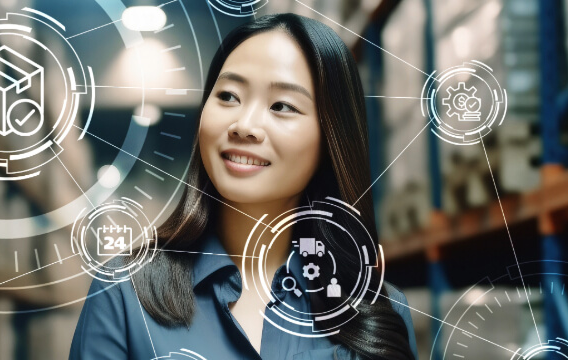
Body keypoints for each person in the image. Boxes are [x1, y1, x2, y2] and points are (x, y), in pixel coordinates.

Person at [69, 14, 418, 360]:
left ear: (331, 139)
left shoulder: (377, 313)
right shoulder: (124, 294)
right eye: (229, 96)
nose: (244, 125)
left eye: (282, 106)